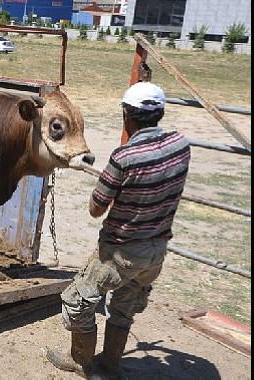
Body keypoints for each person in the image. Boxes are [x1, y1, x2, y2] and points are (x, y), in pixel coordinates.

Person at [46, 82, 191, 379]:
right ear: (160, 113)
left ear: (127, 115)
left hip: (121, 252)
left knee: (77, 301)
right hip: (157, 251)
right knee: (123, 308)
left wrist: (109, 180)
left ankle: (83, 363)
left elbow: (96, 208)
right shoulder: (180, 145)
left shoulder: (124, 157)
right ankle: (110, 366)